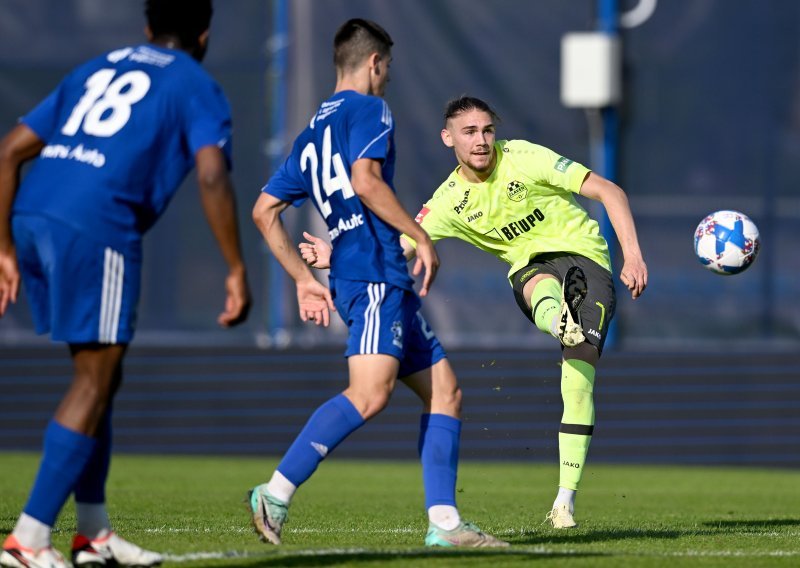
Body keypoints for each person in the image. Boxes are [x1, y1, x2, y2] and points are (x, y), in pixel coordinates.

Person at [300, 95, 648, 530]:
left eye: (487, 130)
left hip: (585, 260)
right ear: (448, 139)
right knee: (537, 285)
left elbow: (607, 190)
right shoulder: (448, 200)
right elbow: (397, 248)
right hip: (531, 269)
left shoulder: (524, 157)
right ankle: (561, 317)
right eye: (469, 132)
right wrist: (337, 256)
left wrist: (632, 257)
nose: (481, 141)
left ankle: (564, 499)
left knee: (577, 384)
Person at [0, 1, 251, 566]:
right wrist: (236, 268)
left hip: (34, 214)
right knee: (93, 382)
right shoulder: (195, 83)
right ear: (205, 34)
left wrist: (4, 250)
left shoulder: (96, 66)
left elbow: (8, 154)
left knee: (99, 378)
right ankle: (28, 540)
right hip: (97, 225)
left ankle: (92, 534)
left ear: (146, 27)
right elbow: (211, 173)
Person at [249, 20, 506, 548]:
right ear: (373, 63)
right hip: (372, 275)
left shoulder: (310, 133)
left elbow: (262, 211)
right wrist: (421, 235)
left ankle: (445, 524)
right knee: (369, 395)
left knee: (446, 394)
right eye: (386, 68)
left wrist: (301, 279)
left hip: (371, 275)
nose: (388, 78)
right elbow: (366, 182)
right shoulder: (369, 110)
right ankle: (274, 493)